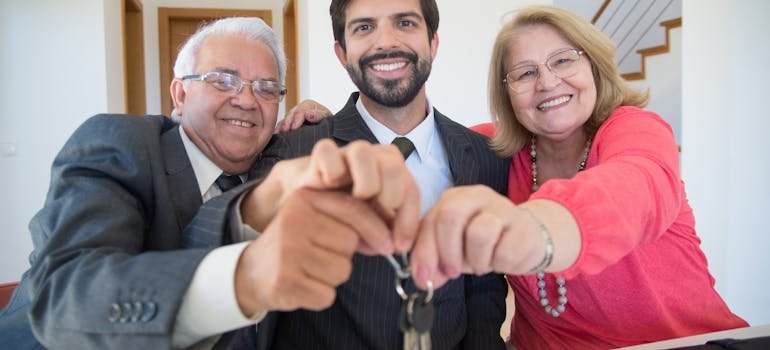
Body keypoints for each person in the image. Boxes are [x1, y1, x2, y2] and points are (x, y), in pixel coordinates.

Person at [2, 16, 420, 349]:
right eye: (222, 80)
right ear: (179, 95)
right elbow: (67, 297)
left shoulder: (277, 163)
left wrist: (316, 124)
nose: (246, 99)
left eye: (267, 88)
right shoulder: (119, 145)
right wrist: (244, 276)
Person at [408, 5, 748, 349]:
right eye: (525, 73)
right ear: (507, 93)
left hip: (685, 343)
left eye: (563, 60)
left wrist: (531, 231)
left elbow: (632, 190)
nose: (548, 82)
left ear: (594, 66)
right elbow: (419, 155)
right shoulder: (492, 152)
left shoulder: (636, 129)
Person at [222, 0, 511, 349]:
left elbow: (484, 293)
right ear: (341, 53)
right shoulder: (292, 152)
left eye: (405, 23)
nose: (385, 42)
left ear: (433, 43)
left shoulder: (485, 156)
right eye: (364, 27)